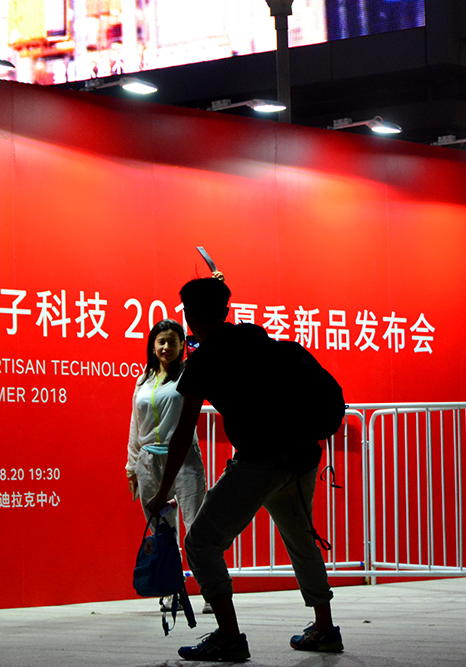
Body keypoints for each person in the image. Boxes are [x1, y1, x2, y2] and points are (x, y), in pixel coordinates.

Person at [145, 278, 342, 662]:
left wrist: (161, 491)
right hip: (300, 456)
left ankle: (229, 636)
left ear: (188, 316)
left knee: (201, 543)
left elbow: (182, 434)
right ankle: (324, 628)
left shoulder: (205, 360)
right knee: (301, 541)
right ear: (225, 311)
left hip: (260, 461)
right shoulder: (256, 338)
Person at [126, 319, 206, 534]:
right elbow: (136, 424)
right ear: (153, 345)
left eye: (172, 342)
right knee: (160, 532)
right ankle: (169, 559)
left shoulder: (187, 374)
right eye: (161, 342)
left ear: (182, 345)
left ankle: (196, 558)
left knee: (195, 527)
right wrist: (131, 468)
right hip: (148, 461)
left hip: (184, 458)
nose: (166, 347)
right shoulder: (143, 380)